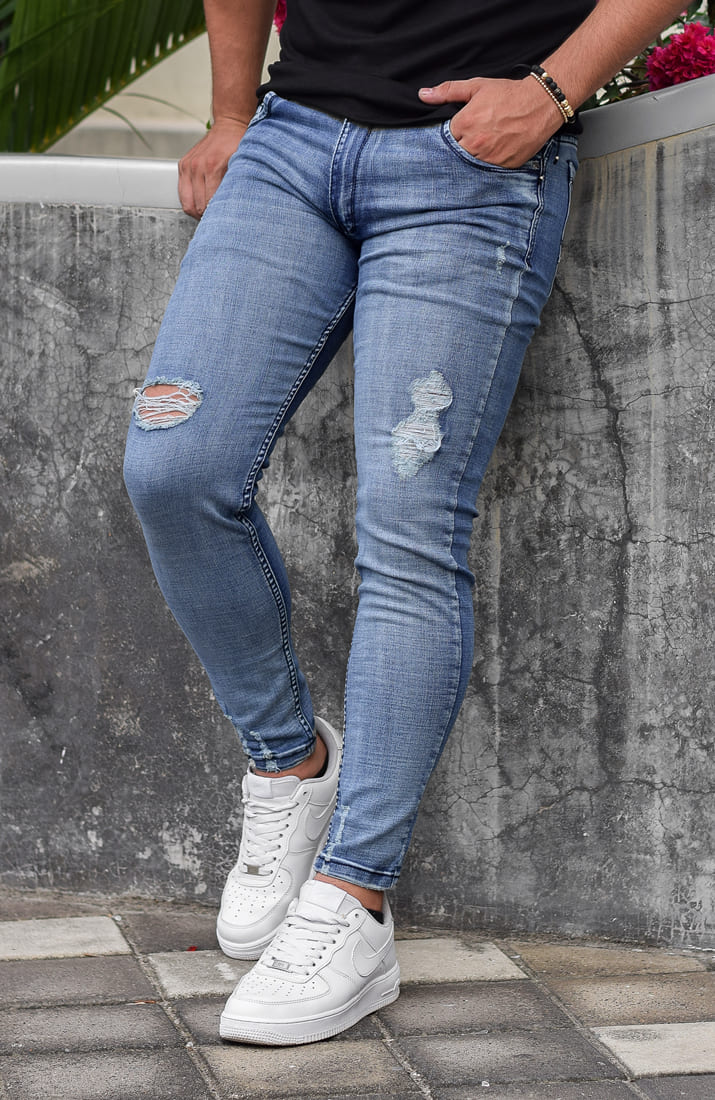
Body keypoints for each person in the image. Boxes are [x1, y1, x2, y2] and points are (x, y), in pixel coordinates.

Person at [124, 0, 685, 1047]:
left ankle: (355, 898)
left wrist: (552, 90)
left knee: (408, 529)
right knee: (174, 468)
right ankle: (290, 763)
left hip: (472, 163)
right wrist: (232, 113)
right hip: (294, 144)